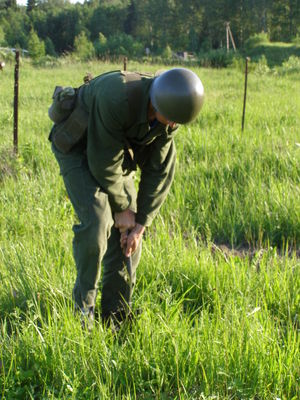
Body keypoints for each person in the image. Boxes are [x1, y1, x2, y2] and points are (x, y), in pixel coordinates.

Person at [48, 67, 204, 329]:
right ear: (159, 101)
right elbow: (101, 162)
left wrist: (140, 223)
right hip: (77, 146)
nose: (173, 126)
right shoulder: (117, 96)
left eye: (177, 123)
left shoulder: (170, 116)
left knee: (130, 232)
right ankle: (83, 311)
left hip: (113, 153)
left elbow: (159, 172)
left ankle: (116, 313)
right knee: (98, 221)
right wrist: (121, 208)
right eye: (172, 120)